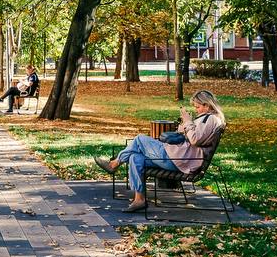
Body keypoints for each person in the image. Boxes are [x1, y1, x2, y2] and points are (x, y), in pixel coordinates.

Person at [93, 90, 226, 212]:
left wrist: (188, 122)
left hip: (179, 160)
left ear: (207, 106)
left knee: (139, 139)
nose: (196, 110)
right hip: (176, 157)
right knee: (135, 158)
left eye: (198, 107)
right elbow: (191, 135)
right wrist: (184, 125)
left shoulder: (211, 119)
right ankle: (139, 199)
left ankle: (113, 164)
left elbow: (195, 139)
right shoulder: (205, 118)